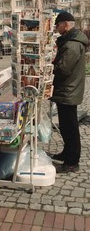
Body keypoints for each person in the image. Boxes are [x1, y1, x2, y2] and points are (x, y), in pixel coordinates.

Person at [48, 11, 88, 173]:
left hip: (68, 91)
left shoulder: (72, 43)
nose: (56, 28)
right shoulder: (71, 40)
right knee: (66, 126)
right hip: (67, 90)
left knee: (70, 127)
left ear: (65, 24)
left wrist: (51, 65)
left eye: (57, 25)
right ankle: (67, 153)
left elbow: (64, 68)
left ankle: (72, 162)